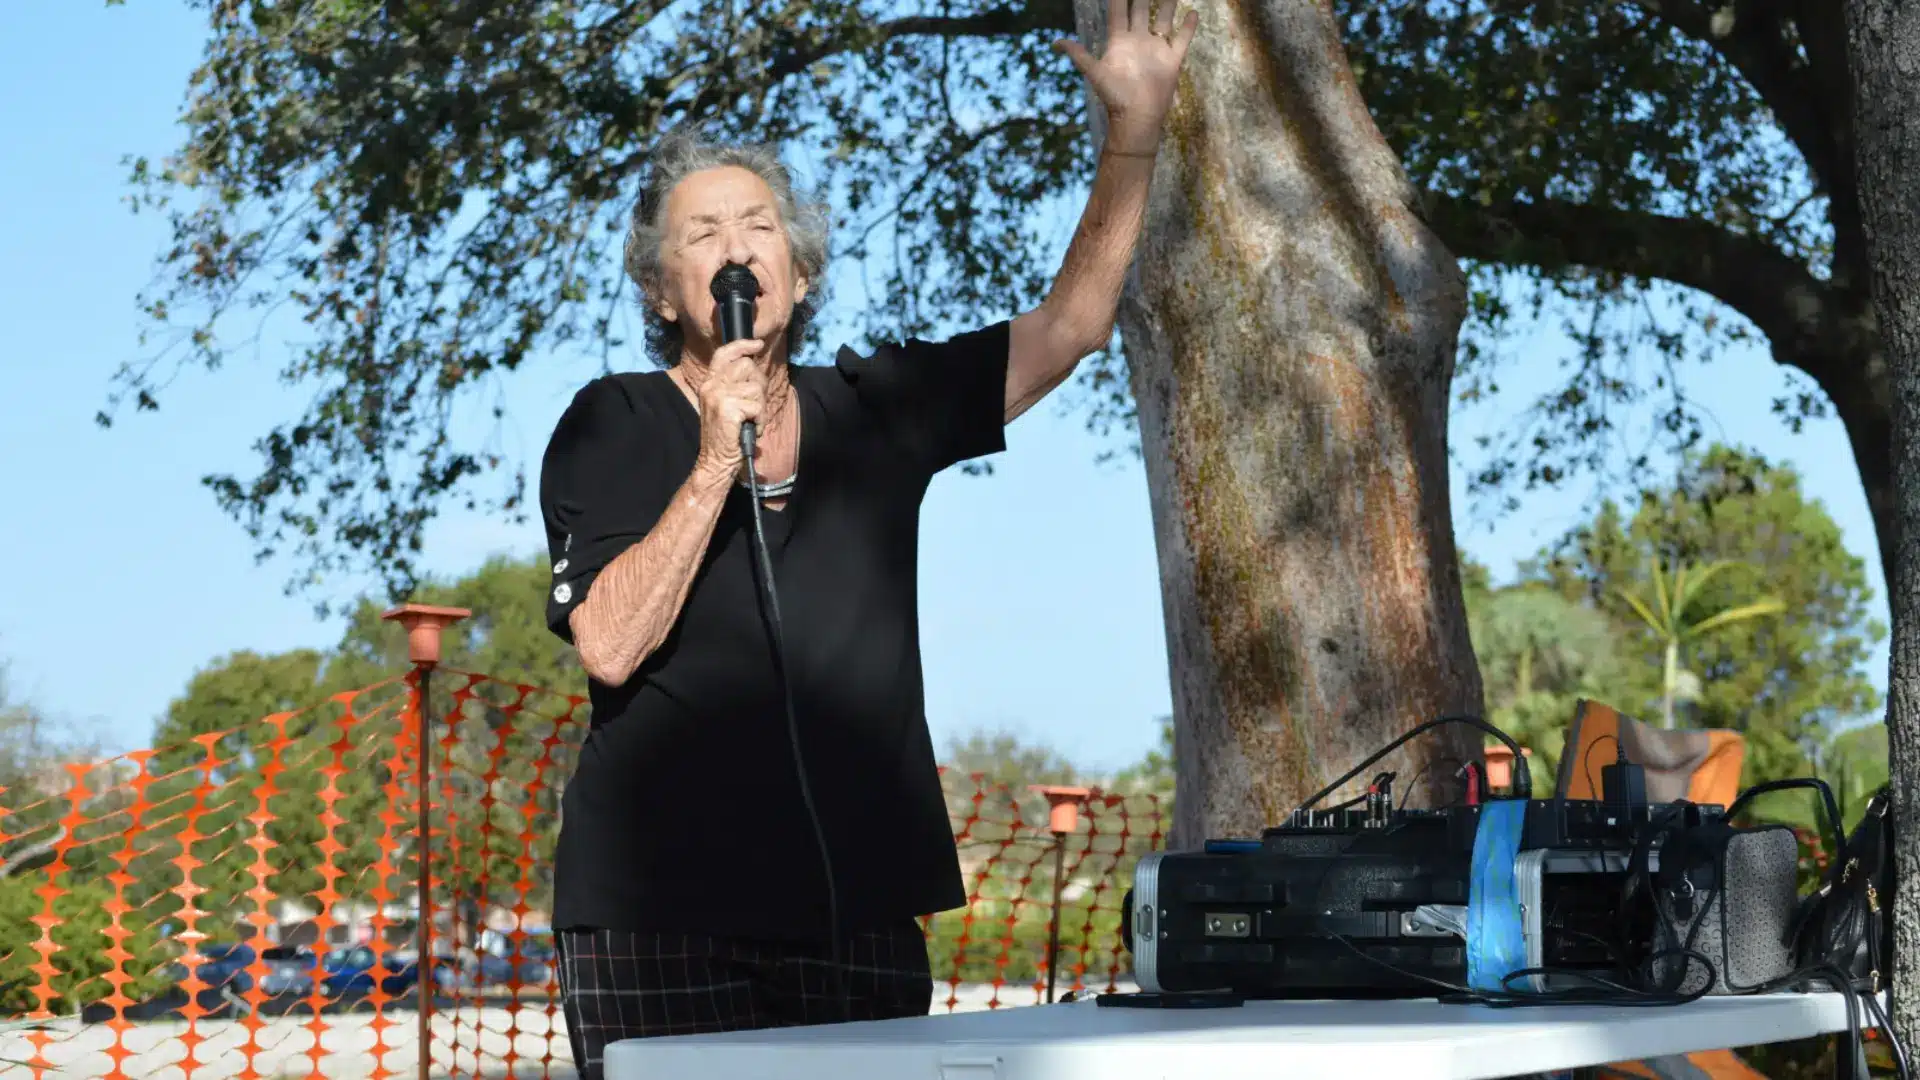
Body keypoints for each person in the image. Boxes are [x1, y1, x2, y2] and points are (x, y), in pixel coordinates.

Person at [536, 3, 1197, 1075]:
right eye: (698, 236)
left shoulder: (876, 409)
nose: (732, 246)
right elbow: (607, 645)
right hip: (658, 909)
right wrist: (715, 459)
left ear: (795, 275)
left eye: (755, 226)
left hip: (860, 912)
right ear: (662, 292)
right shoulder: (612, 423)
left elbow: (1071, 326)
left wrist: (1136, 134)